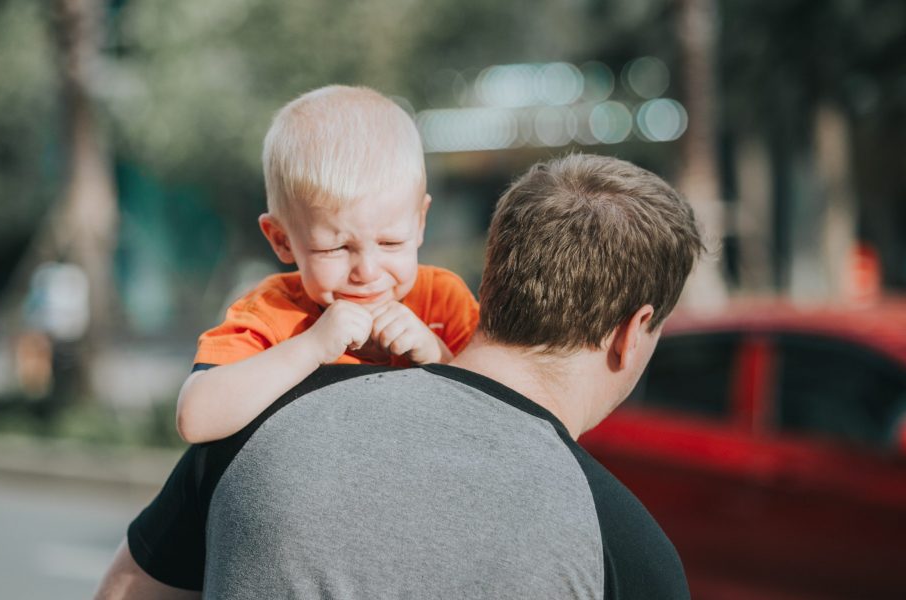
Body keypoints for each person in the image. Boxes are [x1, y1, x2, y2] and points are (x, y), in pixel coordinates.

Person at [96, 152, 703, 599]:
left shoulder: (260, 426)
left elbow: (123, 592)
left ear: (492, 277)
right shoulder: (629, 552)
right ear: (632, 331)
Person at [175, 85, 480, 444]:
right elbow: (196, 419)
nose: (367, 272)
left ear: (420, 223)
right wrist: (310, 347)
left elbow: (499, 418)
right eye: (334, 248)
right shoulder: (272, 313)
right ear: (281, 240)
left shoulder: (443, 301)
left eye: (390, 242)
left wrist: (437, 356)